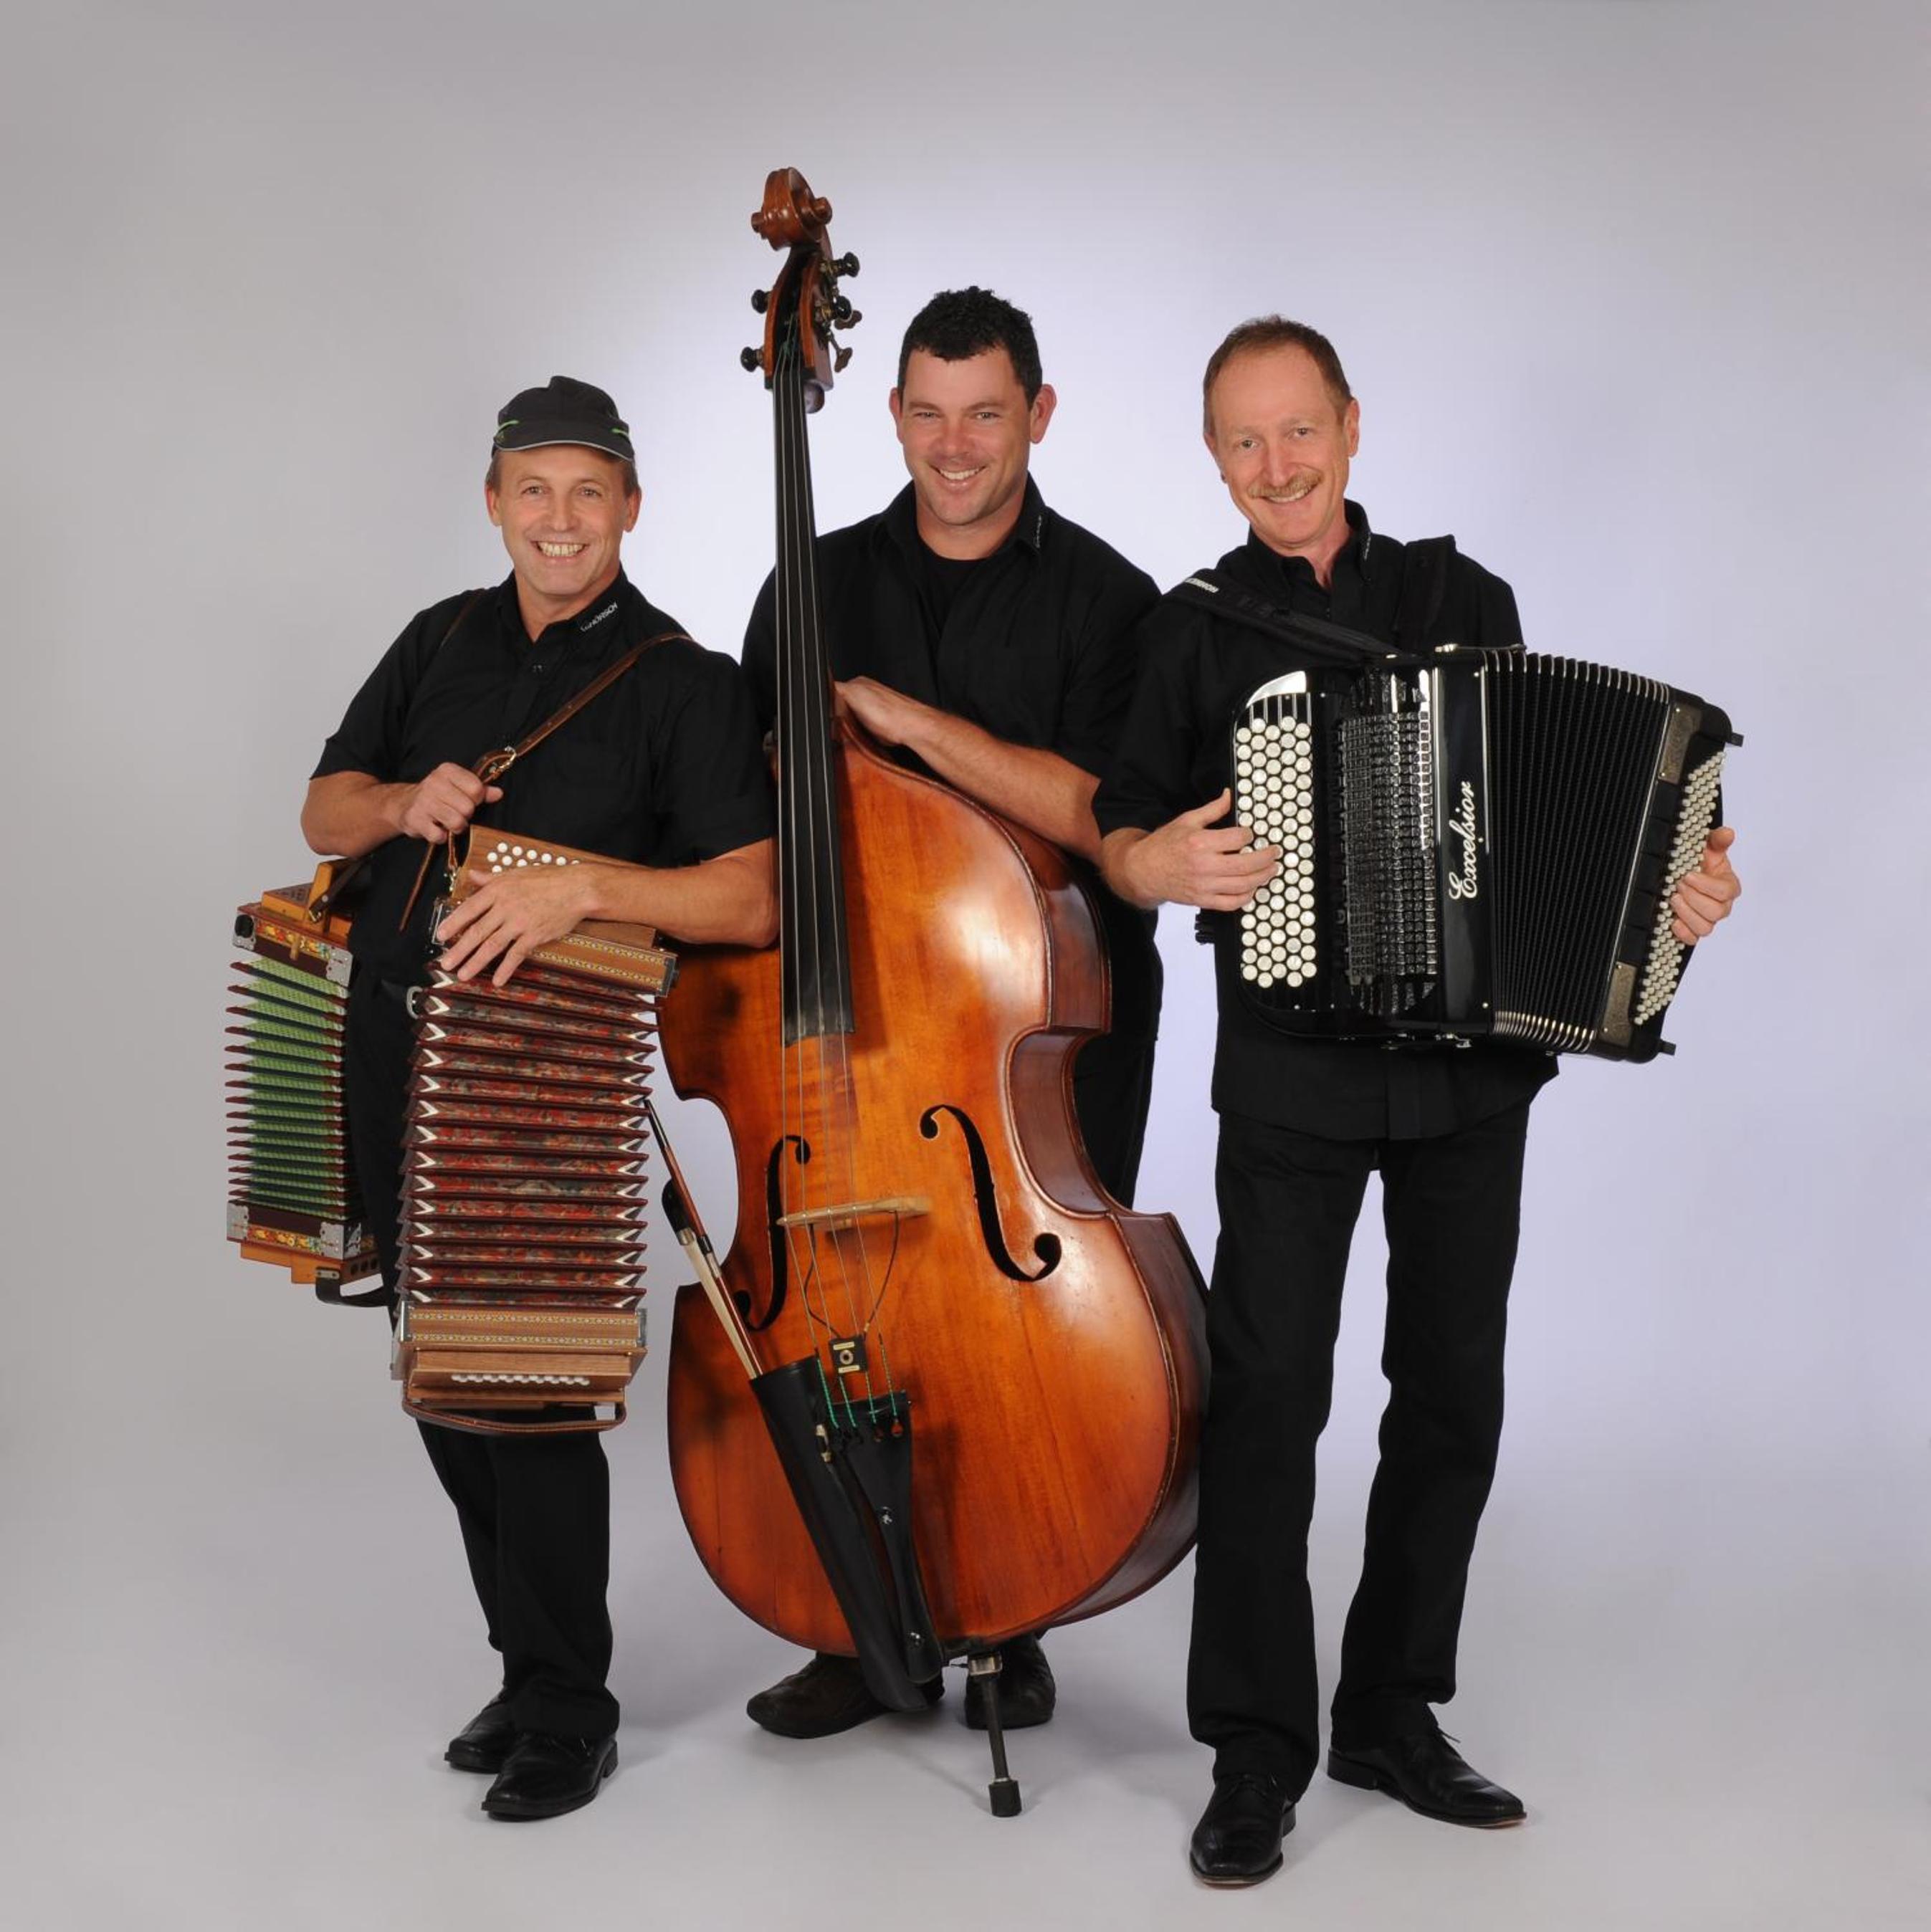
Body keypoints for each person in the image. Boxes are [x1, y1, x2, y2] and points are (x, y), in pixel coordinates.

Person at [1095, 318, 1741, 1886]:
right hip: (1289, 1074)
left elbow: (1555, 817)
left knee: (1451, 1393)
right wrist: (1150, 861)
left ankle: (1390, 1708)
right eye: (1244, 441)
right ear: (1214, 459)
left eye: (1298, 430)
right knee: (1269, 1404)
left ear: (1351, 426)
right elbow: (1119, 829)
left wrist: (1674, 892)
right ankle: (1256, 1748)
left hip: (1470, 1078)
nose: (1277, 467)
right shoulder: (1190, 632)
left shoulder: (1466, 602)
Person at [301, 376, 777, 1821]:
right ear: (494, 501)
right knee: (440, 1374)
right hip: (390, 1048)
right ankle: (528, 1667)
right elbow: (324, 805)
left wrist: (581, 888)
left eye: (587, 491)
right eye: (533, 490)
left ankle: (572, 1709)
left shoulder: (686, 680)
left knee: (534, 1391)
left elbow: (751, 896)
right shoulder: (436, 638)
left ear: (630, 505)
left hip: (542, 1080)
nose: (559, 519)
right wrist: (402, 805)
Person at [737, 287, 1164, 1741]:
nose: (955, 444)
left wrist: (910, 727)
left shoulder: (1110, 601)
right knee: (854, 1317)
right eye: (926, 412)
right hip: (847, 1033)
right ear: (891, 413)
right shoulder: (810, 585)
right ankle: (857, 1614)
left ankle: (1007, 1615)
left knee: (1010, 1336)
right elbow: (748, 824)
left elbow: (1110, 821)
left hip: (1037, 1026)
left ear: (1037, 414)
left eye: (984, 413)